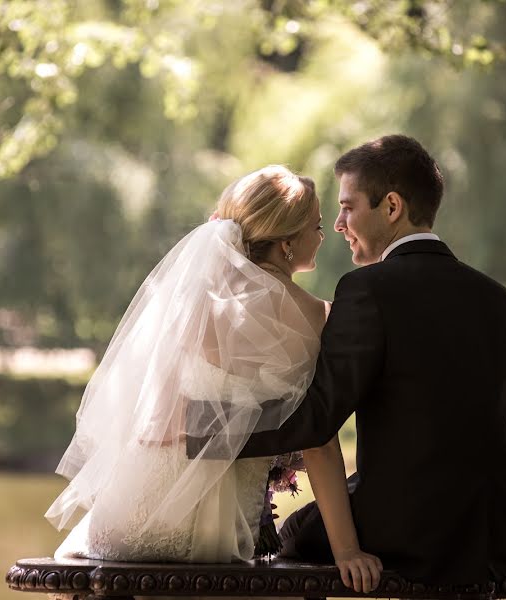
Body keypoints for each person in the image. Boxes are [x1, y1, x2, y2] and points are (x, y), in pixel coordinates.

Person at [45, 165, 380, 591]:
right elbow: (319, 440)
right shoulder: (316, 317)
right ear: (287, 242)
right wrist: (347, 552)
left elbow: (158, 426)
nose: (323, 234)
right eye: (315, 226)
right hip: (216, 531)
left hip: (127, 518)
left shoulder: (191, 302)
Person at [228, 135, 506, 587]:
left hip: (408, 531)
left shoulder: (367, 290)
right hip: (502, 528)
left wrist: (205, 433)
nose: (338, 224)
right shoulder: (502, 301)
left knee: (295, 531)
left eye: (349, 207)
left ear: (391, 207)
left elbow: (316, 419)